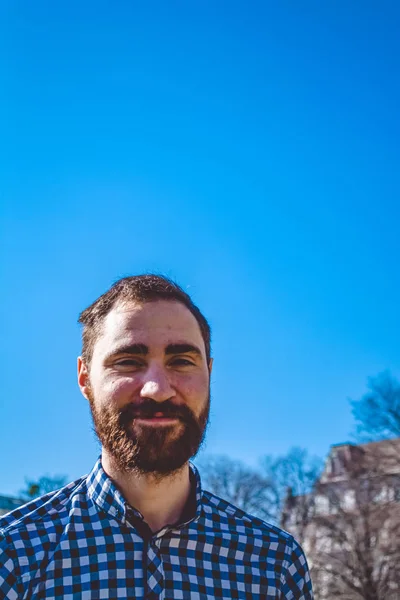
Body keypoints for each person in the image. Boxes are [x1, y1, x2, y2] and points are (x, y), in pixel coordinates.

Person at [0, 274, 313, 599]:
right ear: (84, 378)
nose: (158, 390)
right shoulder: (12, 556)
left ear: (209, 374)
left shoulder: (274, 565)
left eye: (181, 361)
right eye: (128, 362)